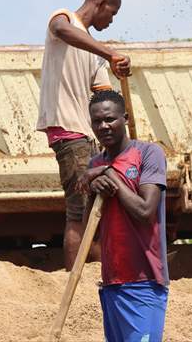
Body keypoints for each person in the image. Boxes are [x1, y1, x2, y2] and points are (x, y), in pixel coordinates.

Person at [36, 0, 131, 270]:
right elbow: (64, 30)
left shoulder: (92, 51)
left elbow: (104, 96)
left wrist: (119, 70)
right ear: (100, 4)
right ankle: (73, 277)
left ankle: (99, 272)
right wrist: (109, 54)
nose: (111, 21)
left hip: (85, 135)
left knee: (93, 210)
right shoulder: (63, 19)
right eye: (112, 14)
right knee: (80, 212)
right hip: (68, 130)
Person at [77, 90, 169, 342]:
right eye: (97, 121)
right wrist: (93, 193)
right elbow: (90, 235)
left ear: (125, 118)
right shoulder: (95, 164)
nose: (103, 126)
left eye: (110, 119)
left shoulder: (149, 154)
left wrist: (111, 176)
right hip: (112, 284)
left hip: (144, 283)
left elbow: (145, 212)